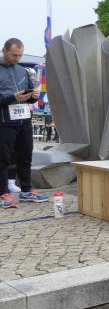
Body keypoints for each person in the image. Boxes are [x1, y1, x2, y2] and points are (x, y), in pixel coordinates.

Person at [0, 38, 47, 208]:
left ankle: (26, 191)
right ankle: (3, 193)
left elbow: (28, 98)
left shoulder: (23, 71)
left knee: (26, 156)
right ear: (4, 50)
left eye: (20, 55)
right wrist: (12, 97)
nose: (17, 58)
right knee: (3, 158)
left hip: (24, 120)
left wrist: (33, 97)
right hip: (4, 121)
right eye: (14, 55)